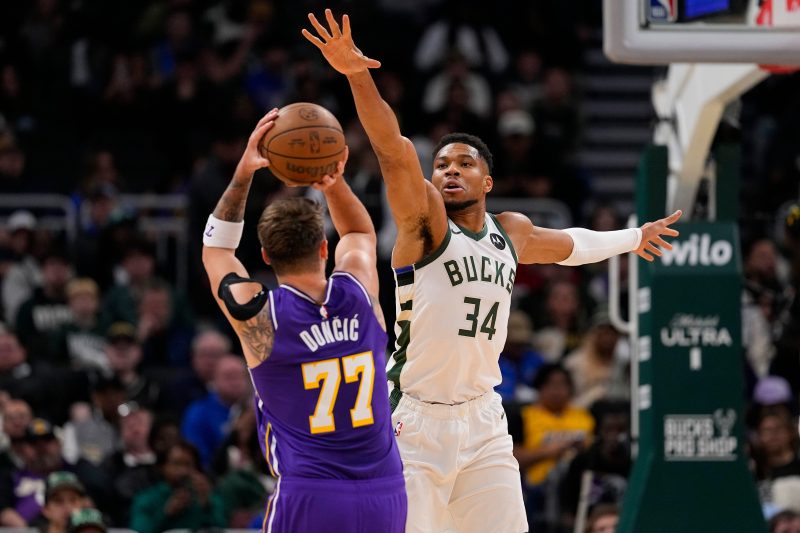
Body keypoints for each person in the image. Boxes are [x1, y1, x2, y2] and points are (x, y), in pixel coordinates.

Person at [303, 10, 681, 532]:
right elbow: (393, 151)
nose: (450, 171)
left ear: (488, 182)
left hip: (483, 419)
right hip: (415, 419)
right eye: (442, 165)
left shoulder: (511, 231)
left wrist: (634, 237)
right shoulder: (425, 224)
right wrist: (356, 75)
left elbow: (572, 246)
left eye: (464, 164)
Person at [201, 110, 406, 532]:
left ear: (265, 256)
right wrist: (333, 181)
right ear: (324, 248)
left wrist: (244, 172)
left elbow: (216, 251)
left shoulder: (260, 314)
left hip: (312, 492)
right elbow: (360, 234)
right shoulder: (360, 292)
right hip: (386, 492)